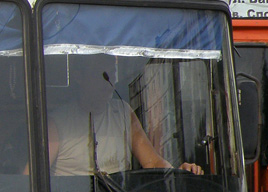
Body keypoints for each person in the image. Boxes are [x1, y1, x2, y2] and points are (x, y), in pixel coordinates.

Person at [47, 55, 203, 176]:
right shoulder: (57, 122)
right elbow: (32, 177)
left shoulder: (122, 112)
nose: (109, 82)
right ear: (78, 77)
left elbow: (152, 162)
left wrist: (178, 173)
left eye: (112, 75)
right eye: (103, 75)